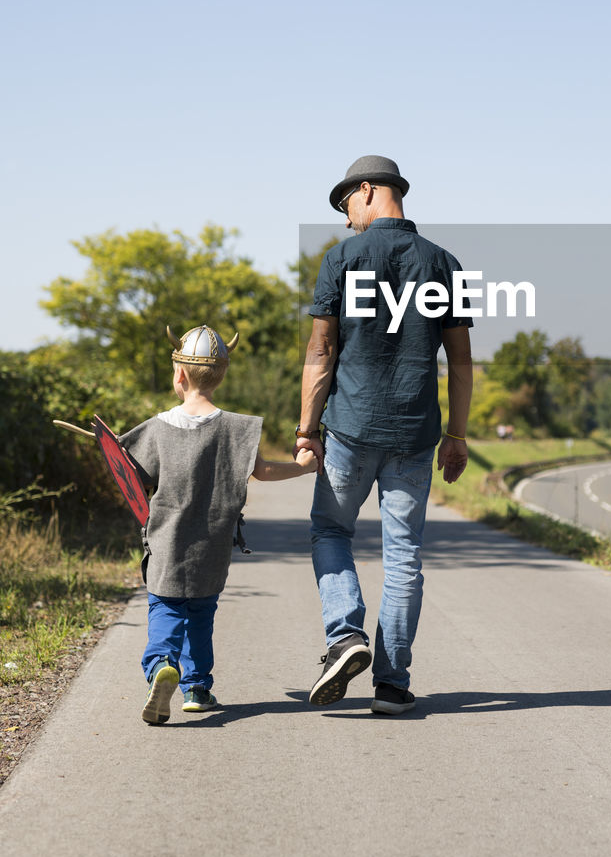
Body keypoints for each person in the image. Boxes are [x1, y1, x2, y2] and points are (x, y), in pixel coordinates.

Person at [294, 155, 473, 715]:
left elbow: (321, 352)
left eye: (348, 204)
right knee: (404, 556)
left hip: (349, 429)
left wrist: (306, 430)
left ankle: (345, 637)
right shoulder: (445, 263)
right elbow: (462, 362)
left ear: (368, 190)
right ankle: (392, 685)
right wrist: (458, 435)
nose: (348, 220)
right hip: (417, 434)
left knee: (329, 530)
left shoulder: (340, 259)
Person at [121, 324, 317, 725]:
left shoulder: (156, 428)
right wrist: (301, 469)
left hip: (167, 543)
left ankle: (161, 665)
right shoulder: (237, 428)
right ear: (222, 375)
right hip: (212, 544)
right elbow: (260, 471)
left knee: (165, 606)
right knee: (201, 613)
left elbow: (132, 479)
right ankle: (197, 688)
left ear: (179, 374)